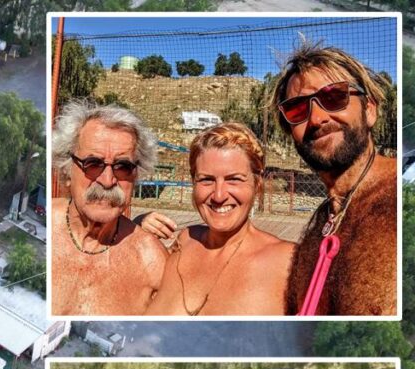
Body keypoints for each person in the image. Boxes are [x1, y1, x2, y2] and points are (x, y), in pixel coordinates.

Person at [270, 44, 396, 315]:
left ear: (369, 110)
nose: (317, 119)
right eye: (297, 109)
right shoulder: (319, 225)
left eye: (334, 96)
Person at [145, 123, 295, 315]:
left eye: (234, 179)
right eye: (206, 180)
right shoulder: (183, 243)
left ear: (257, 184)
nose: (218, 195)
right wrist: (137, 229)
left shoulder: (287, 262)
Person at [50, 101, 168, 315]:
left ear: (136, 175)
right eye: (93, 164)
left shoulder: (153, 263)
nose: (107, 181)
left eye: (123, 166)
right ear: (67, 170)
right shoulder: (43, 225)